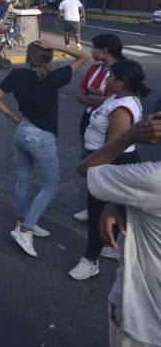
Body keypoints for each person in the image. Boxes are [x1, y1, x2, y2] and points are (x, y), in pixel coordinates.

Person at [0, 40, 88, 257]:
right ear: (49, 57)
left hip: (22, 131)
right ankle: (24, 230)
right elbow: (83, 57)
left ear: (28, 56)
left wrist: (12, 116)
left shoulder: (17, 75)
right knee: (50, 186)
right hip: (41, 136)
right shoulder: (53, 77)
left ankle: (25, 221)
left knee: (24, 179)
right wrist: (54, 43)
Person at [77, 117, 161, 347]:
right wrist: (121, 205)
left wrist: (131, 134)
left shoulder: (153, 180)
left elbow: (86, 168)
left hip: (143, 324)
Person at [69, 60, 148, 281]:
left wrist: (93, 168)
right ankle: (108, 246)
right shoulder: (118, 98)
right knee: (104, 211)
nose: (108, 79)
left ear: (122, 82)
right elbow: (100, 102)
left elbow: (113, 147)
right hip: (105, 160)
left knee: (98, 214)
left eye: (111, 76)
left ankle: (89, 261)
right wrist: (88, 99)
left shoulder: (123, 109)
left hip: (112, 163)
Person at [73, 34, 124, 222]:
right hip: (89, 120)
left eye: (95, 48)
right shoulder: (95, 68)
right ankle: (93, 206)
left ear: (106, 51)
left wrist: (95, 97)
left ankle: (109, 209)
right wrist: (97, 98)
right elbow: (81, 93)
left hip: (110, 123)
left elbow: (120, 98)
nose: (92, 51)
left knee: (107, 164)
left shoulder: (121, 71)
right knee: (90, 163)